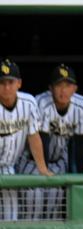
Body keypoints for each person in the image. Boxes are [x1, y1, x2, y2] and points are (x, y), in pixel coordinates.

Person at [17, 64, 83, 220]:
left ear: (75, 88)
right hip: (32, 161)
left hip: (58, 161)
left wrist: (81, 178)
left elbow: (81, 144)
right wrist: (44, 171)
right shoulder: (41, 102)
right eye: (59, 85)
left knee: (54, 206)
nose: (63, 90)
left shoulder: (81, 105)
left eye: (68, 85)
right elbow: (41, 140)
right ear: (50, 88)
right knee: (34, 202)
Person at [0, 59, 51, 220]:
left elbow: (34, 136)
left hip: (8, 167)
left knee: (11, 217)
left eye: (10, 82)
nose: (6, 87)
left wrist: (42, 168)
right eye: (2, 82)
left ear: (19, 84)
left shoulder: (28, 103)